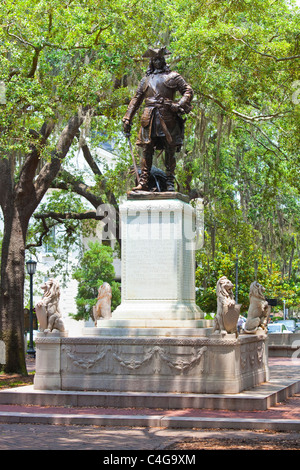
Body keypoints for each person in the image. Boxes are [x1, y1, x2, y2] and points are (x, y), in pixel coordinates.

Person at [123, 47, 193, 192]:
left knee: (170, 149)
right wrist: (127, 117)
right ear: (151, 61)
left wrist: (179, 104)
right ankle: (143, 181)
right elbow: (136, 99)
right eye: (154, 59)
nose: (157, 61)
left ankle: (169, 182)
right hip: (148, 117)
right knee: (147, 150)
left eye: (160, 59)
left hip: (168, 117)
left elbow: (188, 91)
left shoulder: (173, 76)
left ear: (164, 60)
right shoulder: (145, 80)